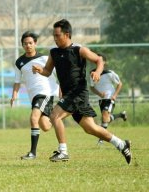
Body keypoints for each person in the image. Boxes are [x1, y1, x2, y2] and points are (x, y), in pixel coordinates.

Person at [32, 19, 132, 164]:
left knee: (55, 116)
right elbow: (47, 71)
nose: (55, 38)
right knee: (90, 128)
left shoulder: (79, 50)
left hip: (78, 92)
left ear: (67, 34)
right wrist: (40, 70)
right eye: (53, 35)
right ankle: (122, 144)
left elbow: (99, 60)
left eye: (57, 35)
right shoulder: (53, 53)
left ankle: (63, 151)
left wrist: (97, 72)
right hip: (69, 94)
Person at [10, 31, 59, 160]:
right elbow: (17, 81)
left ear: (35, 43)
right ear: (22, 45)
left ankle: (32, 153)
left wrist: (61, 89)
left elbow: (57, 74)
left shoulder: (44, 58)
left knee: (33, 118)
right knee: (45, 126)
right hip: (33, 96)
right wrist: (14, 95)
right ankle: (59, 117)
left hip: (45, 92)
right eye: (25, 43)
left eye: (30, 43)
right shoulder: (19, 62)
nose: (28, 45)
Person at [89, 53, 127, 145]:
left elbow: (120, 84)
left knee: (105, 116)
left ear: (104, 63)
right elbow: (92, 87)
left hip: (110, 98)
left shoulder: (110, 73)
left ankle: (101, 139)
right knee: (106, 118)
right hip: (101, 99)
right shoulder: (92, 73)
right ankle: (121, 115)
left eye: (100, 60)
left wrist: (115, 95)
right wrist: (99, 94)